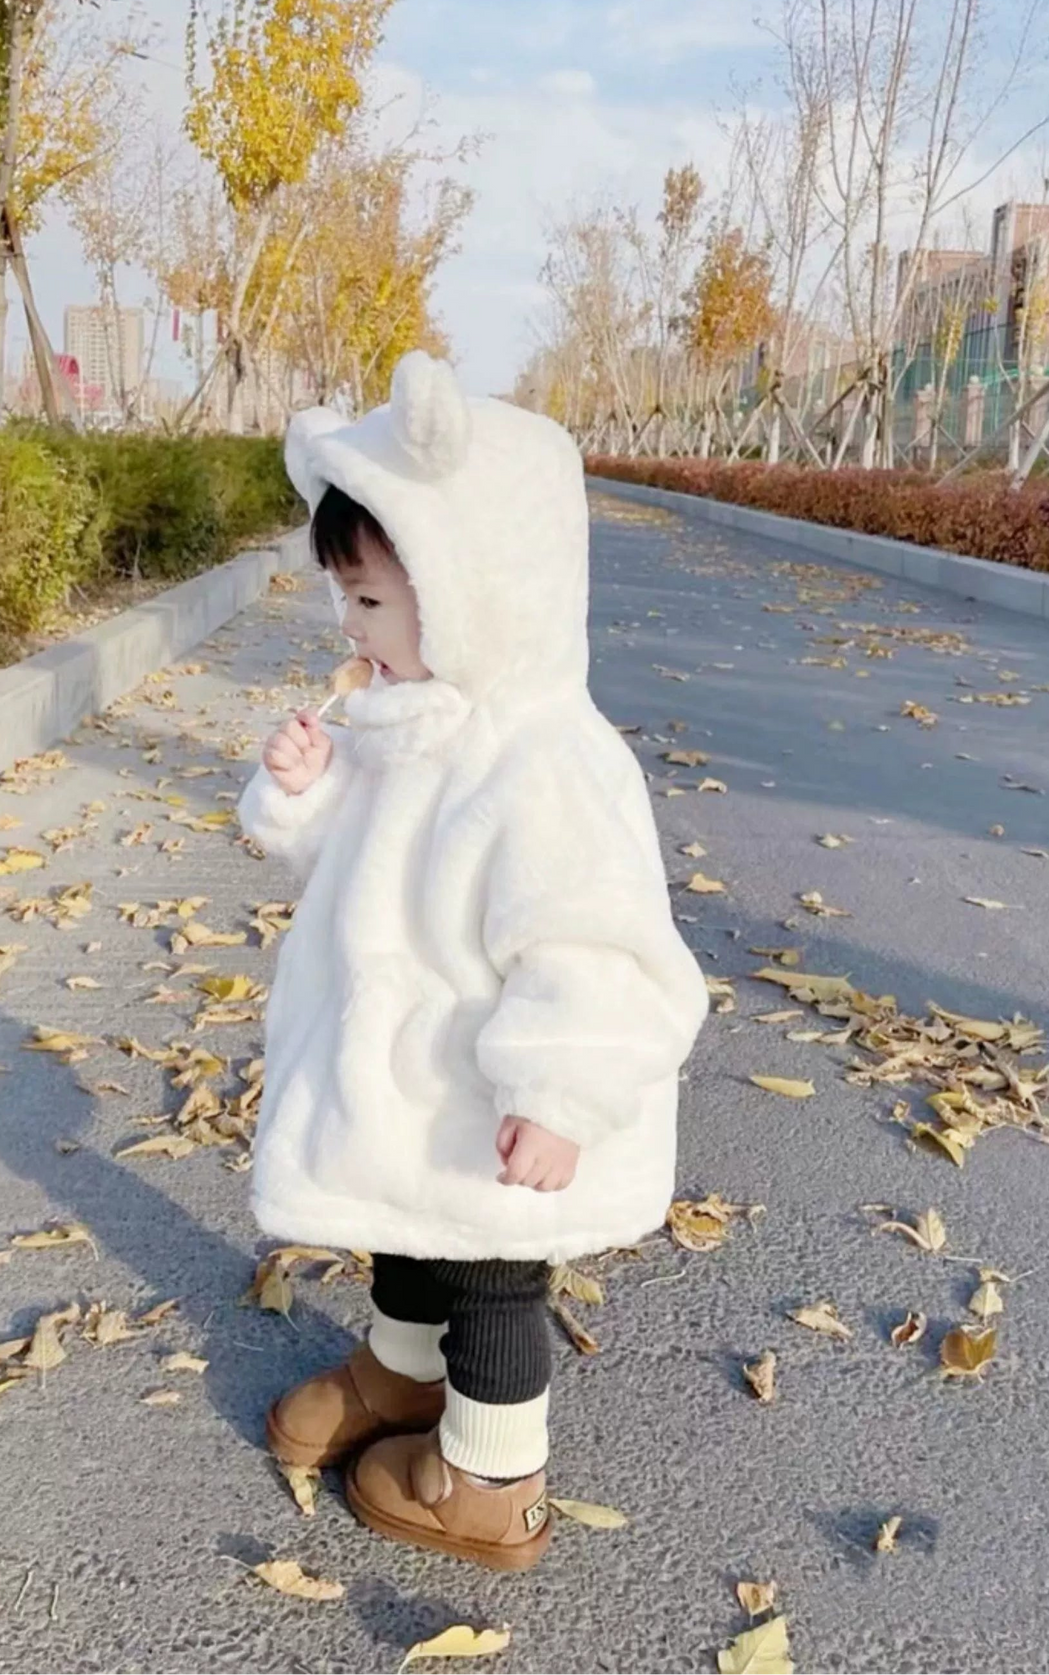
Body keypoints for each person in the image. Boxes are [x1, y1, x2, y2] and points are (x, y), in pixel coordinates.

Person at [237, 349, 709, 1572]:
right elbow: (369, 862)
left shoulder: (545, 759)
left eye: (375, 602)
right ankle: (398, 1375)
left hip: (505, 1094)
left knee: (494, 1268)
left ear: (477, 592)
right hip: (421, 1075)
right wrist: (307, 790)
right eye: (343, 597)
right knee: (408, 1217)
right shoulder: (414, 721)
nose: (352, 629)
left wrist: (558, 1095)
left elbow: (591, 942)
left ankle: (491, 1478)